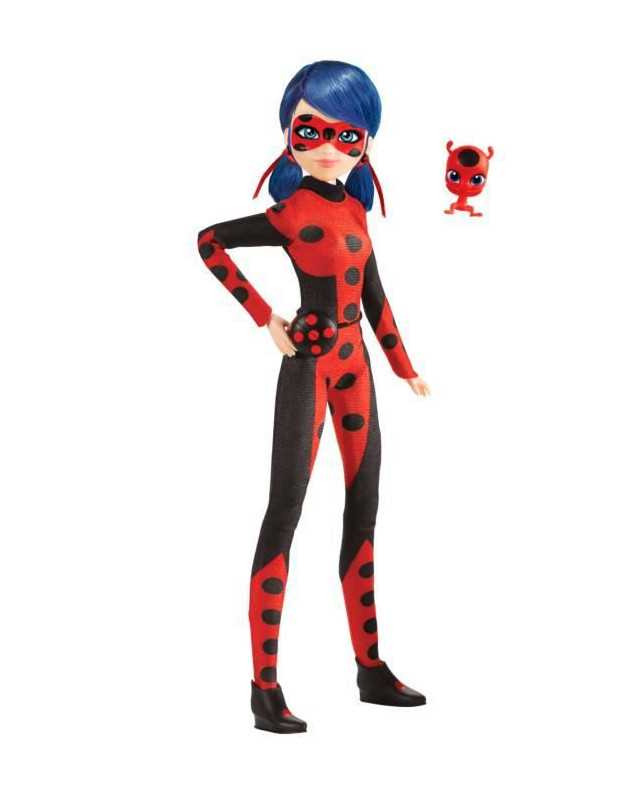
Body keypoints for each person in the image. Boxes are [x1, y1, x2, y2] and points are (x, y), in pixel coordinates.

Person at [198, 61, 429, 733]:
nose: (328, 146)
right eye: (310, 130)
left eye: (346, 135)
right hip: (309, 366)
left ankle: (370, 668)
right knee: (285, 512)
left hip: (357, 367)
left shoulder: (355, 210)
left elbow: (376, 298)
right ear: (288, 136)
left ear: (366, 142)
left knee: (364, 509)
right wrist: (265, 318)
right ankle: (264, 687)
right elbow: (210, 242)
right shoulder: (289, 214)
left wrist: (404, 367)